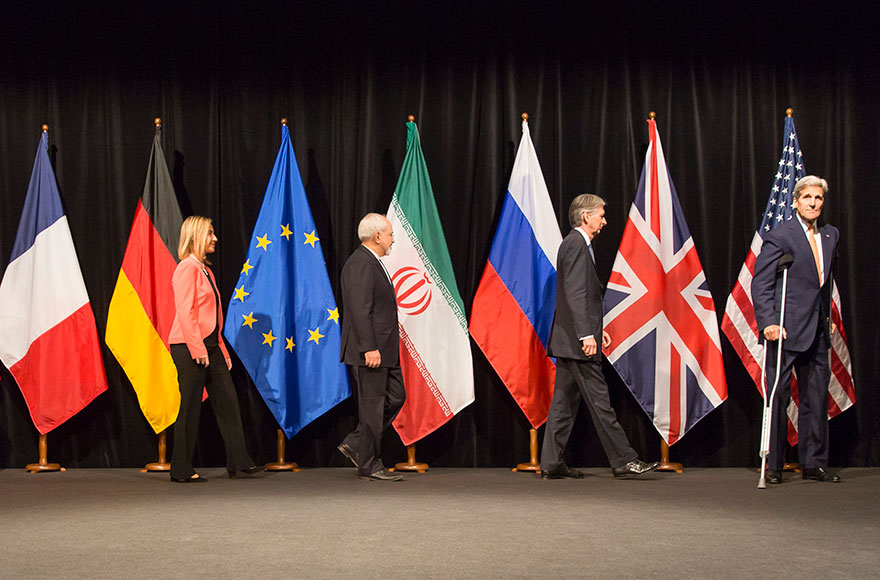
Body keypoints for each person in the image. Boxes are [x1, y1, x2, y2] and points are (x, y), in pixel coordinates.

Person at [540, 194, 659, 479]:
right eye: (601, 215)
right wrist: (585, 334)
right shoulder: (576, 244)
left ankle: (551, 463)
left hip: (572, 340)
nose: (604, 221)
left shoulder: (576, 244)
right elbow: (576, 293)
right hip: (578, 342)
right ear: (586, 217)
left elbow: (581, 295)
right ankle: (624, 460)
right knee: (601, 403)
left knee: (563, 406)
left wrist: (597, 330)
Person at [751, 175, 840, 484]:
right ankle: (773, 464)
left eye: (818, 198)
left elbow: (821, 285)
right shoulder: (781, 236)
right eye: (807, 198)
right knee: (778, 397)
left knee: (815, 398)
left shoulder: (830, 235)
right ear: (796, 201)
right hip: (785, 329)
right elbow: (761, 283)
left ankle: (813, 463)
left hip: (816, 329)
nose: (813, 203)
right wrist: (768, 322)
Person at [168, 216, 264, 483]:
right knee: (189, 408)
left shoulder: (205, 270)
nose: (215, 238)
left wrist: (220, 348)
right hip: (188, 347)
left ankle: (239, 462)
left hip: (210, 346)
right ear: (196, 236)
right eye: (210, 233)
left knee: (228, 403)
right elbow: (185, 312)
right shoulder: (186, 268)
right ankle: (181, 469)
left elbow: (214, 315)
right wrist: (197, 347)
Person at [337, 213, 406, 482]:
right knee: (372, 407)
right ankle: (369, 464)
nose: (392, 239)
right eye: (389, 234)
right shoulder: (361, 264)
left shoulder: (372, 262)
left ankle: (356, 443)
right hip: (370, 351)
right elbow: (359, 309)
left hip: (385, 349)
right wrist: (368, 348)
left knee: (395, 397)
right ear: (377, 236)